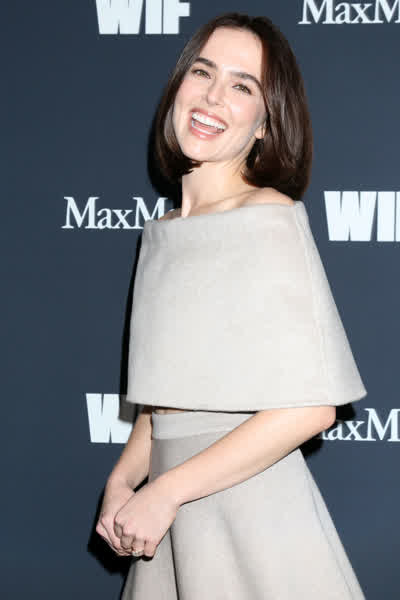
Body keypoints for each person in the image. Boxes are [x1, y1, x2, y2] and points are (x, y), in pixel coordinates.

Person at [96, 12, 367, 599]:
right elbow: (162, 403)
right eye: (203, 72)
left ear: (266, 123)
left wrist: (166, 491)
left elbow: (311, 409)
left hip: (246, 513)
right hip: (167, 509)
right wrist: (121, 483)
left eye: (242, 86)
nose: (213, 96)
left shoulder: (268, 218)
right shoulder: (163, 230)